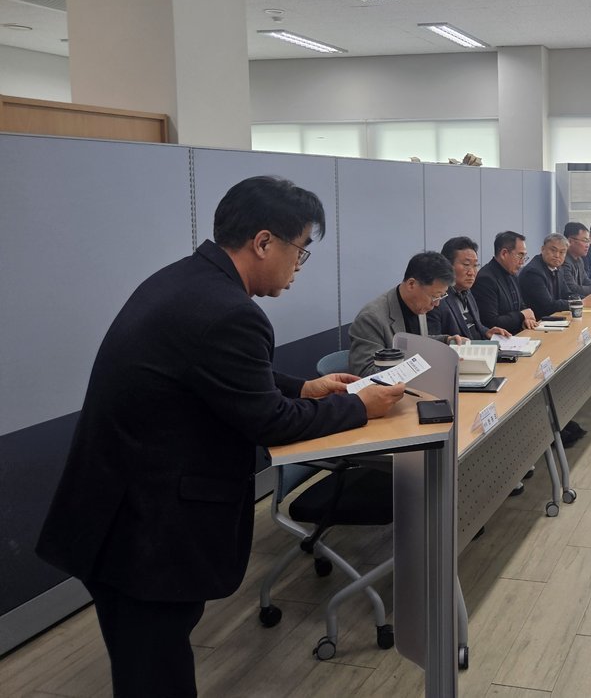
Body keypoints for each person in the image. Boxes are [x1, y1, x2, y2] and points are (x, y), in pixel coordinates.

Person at [36, 176, 406, 698]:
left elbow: (219, 372)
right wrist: (358, 406)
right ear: (263, 242)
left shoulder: (188, 281)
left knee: (151, 662)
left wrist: (304, 387)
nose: (299, 266)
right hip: (143, 531)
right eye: (300, 250)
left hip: (120, 511)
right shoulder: (229, 311)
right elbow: (271, 422)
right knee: (154, 675)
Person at [348, 251, 460, 375]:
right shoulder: (371, 318)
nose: (436, 304)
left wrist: (446, 340)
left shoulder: (418, 304)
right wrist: (418, 367)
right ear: (411, 284)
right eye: (434, 296)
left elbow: (413, 341)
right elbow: (365, 372)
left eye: (441, 296)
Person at [427, 236, 511, 342]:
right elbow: (433, 343)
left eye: (475, 265)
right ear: (447, 265)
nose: (472, 272)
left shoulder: (467, 291)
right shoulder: (437, 299)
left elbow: (473, 325)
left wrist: (487, 332)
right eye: (466, 265)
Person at [520, 233, 591, 318]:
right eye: (553, 250)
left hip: (554, 318)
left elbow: (566, 293)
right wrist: (582, 302)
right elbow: (548, 306)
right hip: (538, 321)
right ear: (542, 249)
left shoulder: (558, 268)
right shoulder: (534, 272)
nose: (557, 255)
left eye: (562, 252)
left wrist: (588, 298)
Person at [474, 230, 537, 333]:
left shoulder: (512, 273)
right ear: (504, 254)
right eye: (520, 255)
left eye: (524, 256)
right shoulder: (485, 279)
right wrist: (522, 316)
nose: (522, 262)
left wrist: (527, 319)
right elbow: (491, 323)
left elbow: (521, 306)